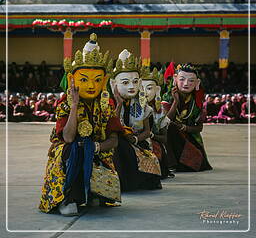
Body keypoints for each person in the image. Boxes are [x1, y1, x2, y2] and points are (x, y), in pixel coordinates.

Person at [39, 33, 123, 216]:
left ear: (104, 81)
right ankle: (68, 198)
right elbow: (68, 137)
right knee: (74, 149)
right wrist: (75, 105)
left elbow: (115, 139)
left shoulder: (106, 104)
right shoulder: (65, 103)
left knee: (88, 151)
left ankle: (93, 193)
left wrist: (96, 146)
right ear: (72, 79)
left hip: (96, 151)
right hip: (69, 152)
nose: (92, 85)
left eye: (97, 80)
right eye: (84, 79)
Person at [111, 49, 162, 192]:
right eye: (125, 83)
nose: (132, 87)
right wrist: (119, 104)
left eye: (135, 82)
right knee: (119, 145)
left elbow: (147, 131)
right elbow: (112, 126)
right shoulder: (109, 103)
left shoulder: (142, 104)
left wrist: (134, 139)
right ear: (113, 84)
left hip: (137, 142)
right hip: (116, 143)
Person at [164, 64, 212, 172]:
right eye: (182, 79)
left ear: (197, 83)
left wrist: (185, 128)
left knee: (196, 162)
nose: (186, 84)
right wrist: (175, 102)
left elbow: (199, 128)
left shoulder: (197, 102)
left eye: (191, 81)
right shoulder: (166, 97)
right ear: (175, 79)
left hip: (189, 137)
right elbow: (165, 121)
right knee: (169, 127)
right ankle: (171, 163)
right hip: (169, 138)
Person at [141, 67, 176, 178]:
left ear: (157, 90)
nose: (145, 93)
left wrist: (151, 135)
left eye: (149, 88)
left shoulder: (159, 112)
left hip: (153, 142)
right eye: (141, 88)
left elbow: (164, 138)